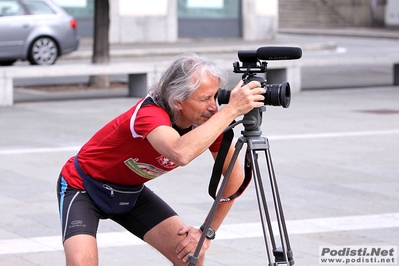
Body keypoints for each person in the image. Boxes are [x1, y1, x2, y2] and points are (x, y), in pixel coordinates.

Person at [57, 52, 265, 266]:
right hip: (83, 186)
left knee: (190, 255)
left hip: (129, 191)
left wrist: (207, 231)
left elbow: (234, 177)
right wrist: (231, 111)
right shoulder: (149, 114)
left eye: (215, 96)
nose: (214, 107)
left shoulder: (208, 121)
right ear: (178, 101)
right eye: (204, 99)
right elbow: (180, 152)